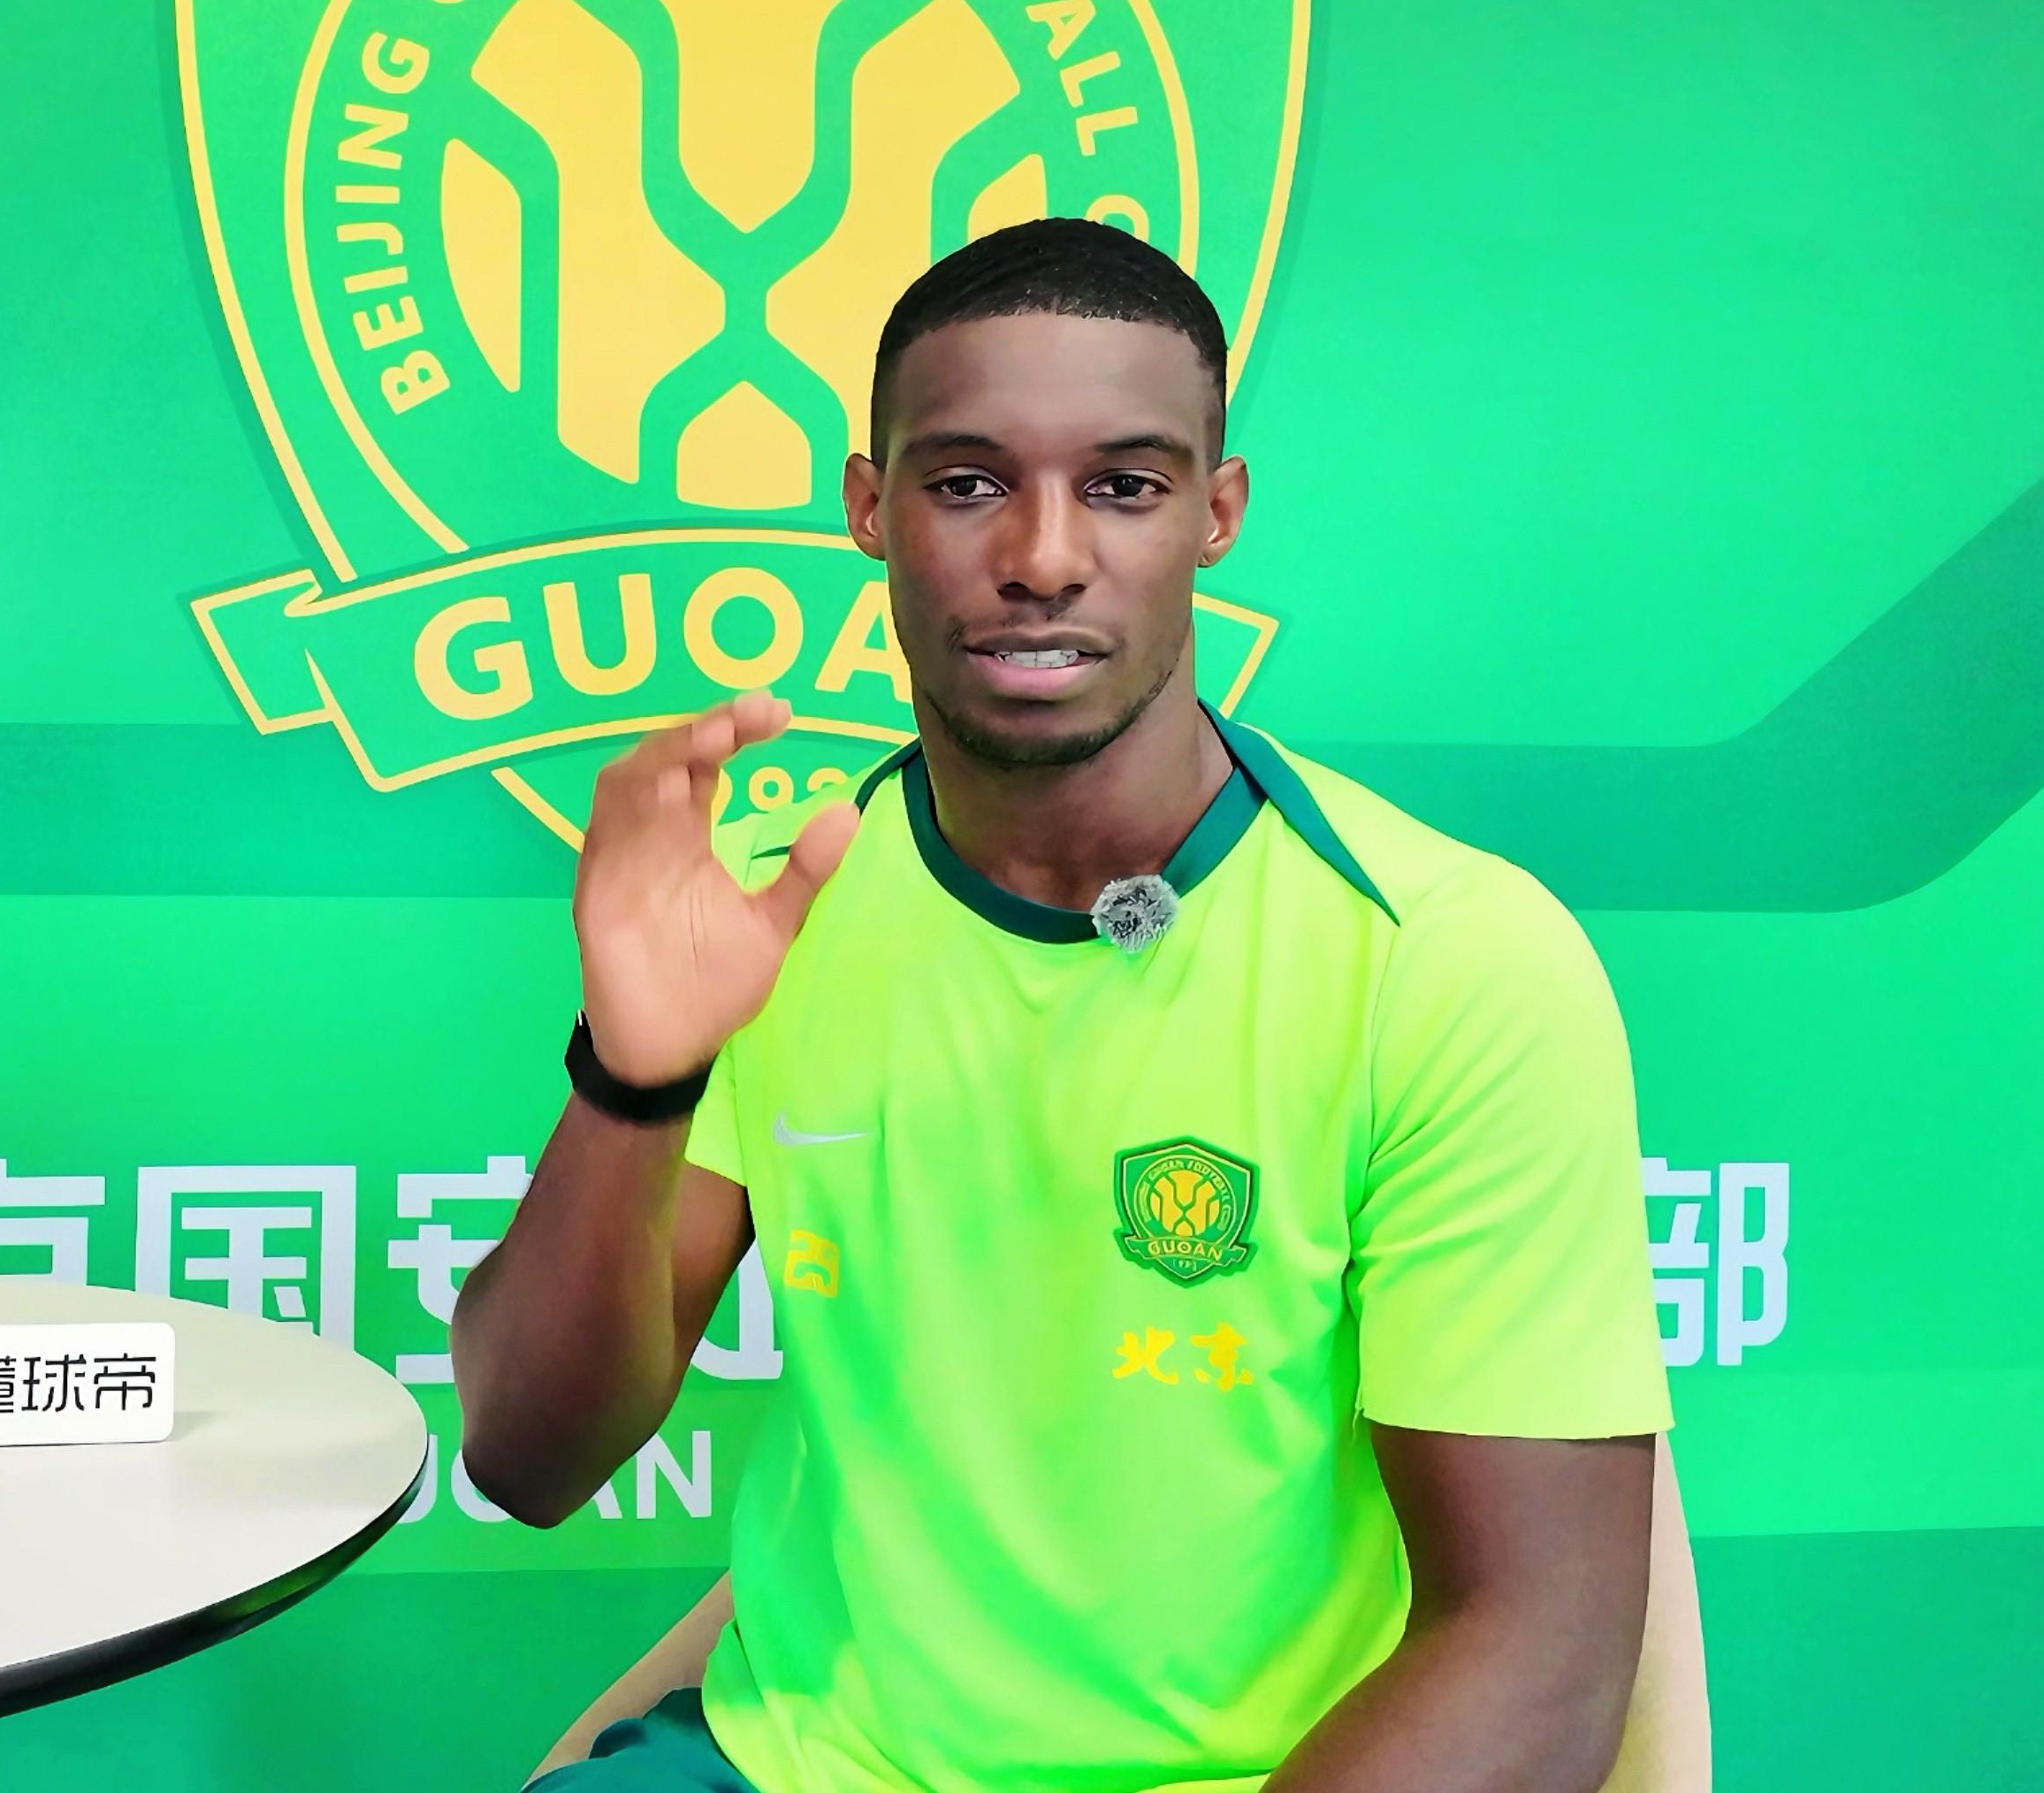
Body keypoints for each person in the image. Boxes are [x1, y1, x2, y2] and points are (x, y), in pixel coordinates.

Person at [453, 217, 1671, 1793]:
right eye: (968, 483)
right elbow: (528, 1457)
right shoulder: (771, 908)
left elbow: (1540, 1651)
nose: (1042, 554)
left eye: (1124, 485)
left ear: (1217, 513)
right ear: (869, 510)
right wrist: (632, 1079)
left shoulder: (1444, 956)